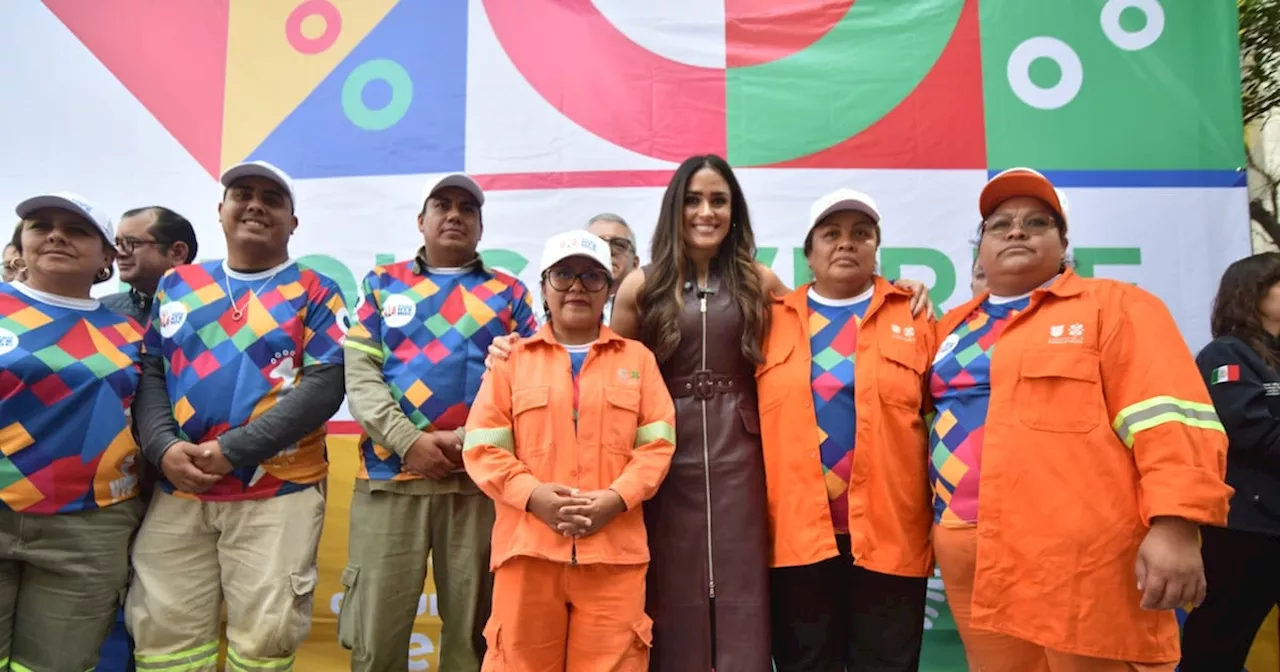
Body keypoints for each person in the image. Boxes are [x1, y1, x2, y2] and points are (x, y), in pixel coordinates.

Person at [486, 155, 933, 670]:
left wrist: (898, 291)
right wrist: (520, 346)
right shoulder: (640, 286)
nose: (706, 212)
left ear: (734, 211)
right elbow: (609, 359)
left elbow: (825, 316)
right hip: (663, 452)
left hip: (745, 452)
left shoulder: (760, 281)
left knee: (746, 580)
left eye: (719, 200)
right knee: (669, 584)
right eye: (694, 200)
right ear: (675, 208)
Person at [930, 167, 1231, 671]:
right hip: (965, 546)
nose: (1017, 231)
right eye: (999, 224)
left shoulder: (1117, 306)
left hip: (1076, 553)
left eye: (1037, 222)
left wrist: (1176, 525)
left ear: (1064, 243)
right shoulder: (949, 327)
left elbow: (1171, 420)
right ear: (979, 248)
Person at [129, 160, 349, 672]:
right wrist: (162, 447)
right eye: (241, 194)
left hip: (277, 491)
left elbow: (325, 385)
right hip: (179, 489)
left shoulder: (316, 289)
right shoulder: (177, 285)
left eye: (271, 199)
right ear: (220, 211)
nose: (254, 204)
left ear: (293, 222)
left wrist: (233, 451)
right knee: (165, 640)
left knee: (265, 643)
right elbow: (152, 374)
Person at [340, 173, 538, 671]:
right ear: (421, 220)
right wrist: (409, 442)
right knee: (375, 638)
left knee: (475, 640)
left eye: (466, 209)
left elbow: (532, 384)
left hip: (478, 488)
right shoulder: (382, 284)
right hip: (389, 482)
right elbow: (361, 377)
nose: (454, 215)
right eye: (442, 205)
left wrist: (471, 443)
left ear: (480, 227)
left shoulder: (509, 293)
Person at [463, 229, 676, 670]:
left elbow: (658, 446)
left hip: (613, 557)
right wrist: (532, 496)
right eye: (563, 275)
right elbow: (483, 446)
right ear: (543, 288)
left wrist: (615, 500)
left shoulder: (638, 361)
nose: (577, 287)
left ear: (610, 289)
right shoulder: (511, 361)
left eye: (592, 276)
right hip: (527, 554)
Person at [757, 189, 933, 672]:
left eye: (861, 234)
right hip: (796, 539)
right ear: (808, 253)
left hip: (890, 536)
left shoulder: (916, 317)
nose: (846, 244)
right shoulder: (768, 322)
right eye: (831, 234)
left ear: (878, 248)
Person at [0, 193, 144, 671]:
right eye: (41, 225)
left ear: (108, 257)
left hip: (89, 528)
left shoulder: (133, 334)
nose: (56, 235)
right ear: (21, 243)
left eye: (77, 229)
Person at [1179, 252, 1280, 671]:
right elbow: (1253, 431)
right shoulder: (1226, 355)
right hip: (1247, 530)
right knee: (1218, 643)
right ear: (1253, 292)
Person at [103, 206, 199, 323]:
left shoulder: (209, 309)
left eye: (132, 243)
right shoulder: (103, 312)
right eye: (117, 243)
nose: (119, 253)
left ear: (177, 253)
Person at [586, 212, 641, 323]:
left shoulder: (653, 310)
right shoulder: (560, 308)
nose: (608, 251)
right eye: (596, 245)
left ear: (635, 264)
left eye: (619, 245)